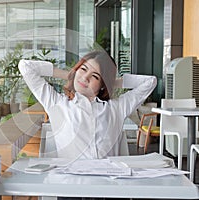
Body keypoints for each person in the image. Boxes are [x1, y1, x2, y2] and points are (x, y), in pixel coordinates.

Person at [18, 50, 157, 160]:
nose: (85, 78)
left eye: (95, 76)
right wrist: (69, 75)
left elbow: (150, 82)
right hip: (71, 187)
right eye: (83, 69)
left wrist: (110, 82)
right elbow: (25, 66)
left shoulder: (116, 108)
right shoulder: (57, 103)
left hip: (108, 186)